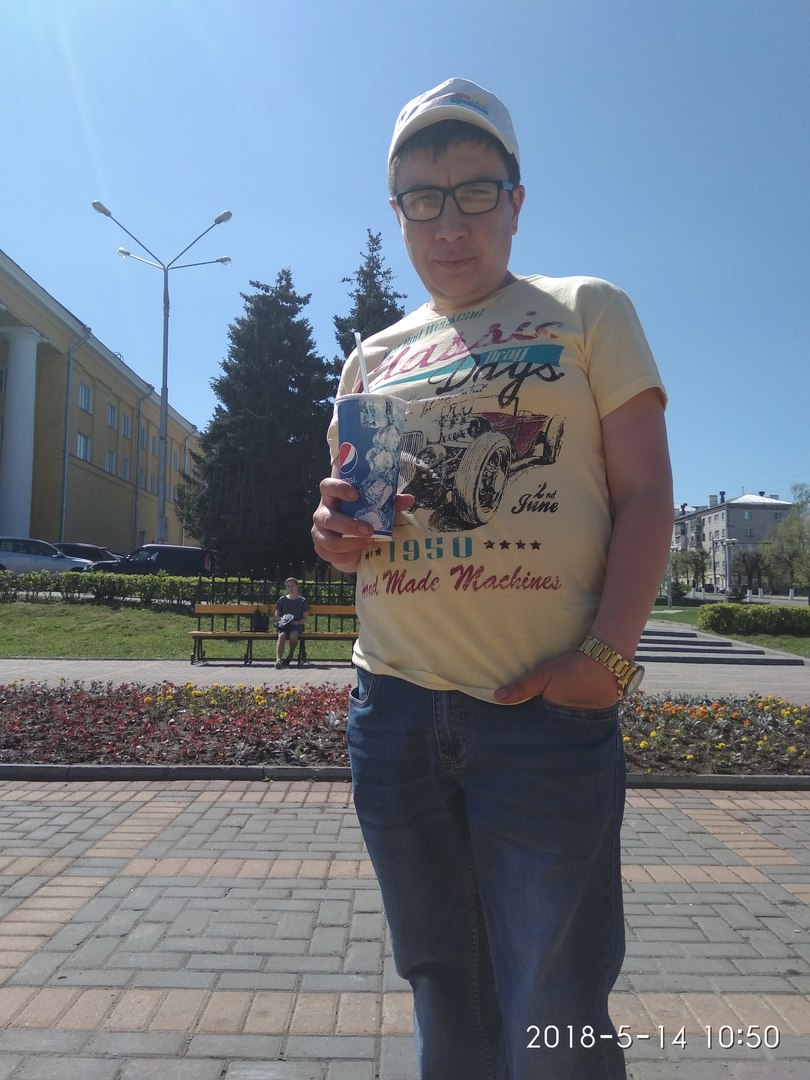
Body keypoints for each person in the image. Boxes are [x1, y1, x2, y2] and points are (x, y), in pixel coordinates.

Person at [312, 77, 673, 1080]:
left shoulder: (586, 310)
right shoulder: (371, 358)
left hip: (544, 717)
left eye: (476, 191)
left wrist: (607, 662)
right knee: (443, 985)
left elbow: (648, 494)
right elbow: (357, 523)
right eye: (423, 198)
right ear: (397, 214)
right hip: (394, 710)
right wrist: (334, 535)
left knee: (552, 997)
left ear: (516, 201)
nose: (450, 221)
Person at [274, 577, 309, 668]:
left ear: (297, 586)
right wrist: (284, 620)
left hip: (296, 625)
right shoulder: (282, 599)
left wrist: (296, 623)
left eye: (292, 586)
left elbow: (305, 618)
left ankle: (290, 655)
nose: (290, 588)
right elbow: (276, 616)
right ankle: (278, 660)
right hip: (284, 625)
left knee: (293, 635)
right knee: (282, 635)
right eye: (288, 586)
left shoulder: (302, 601)